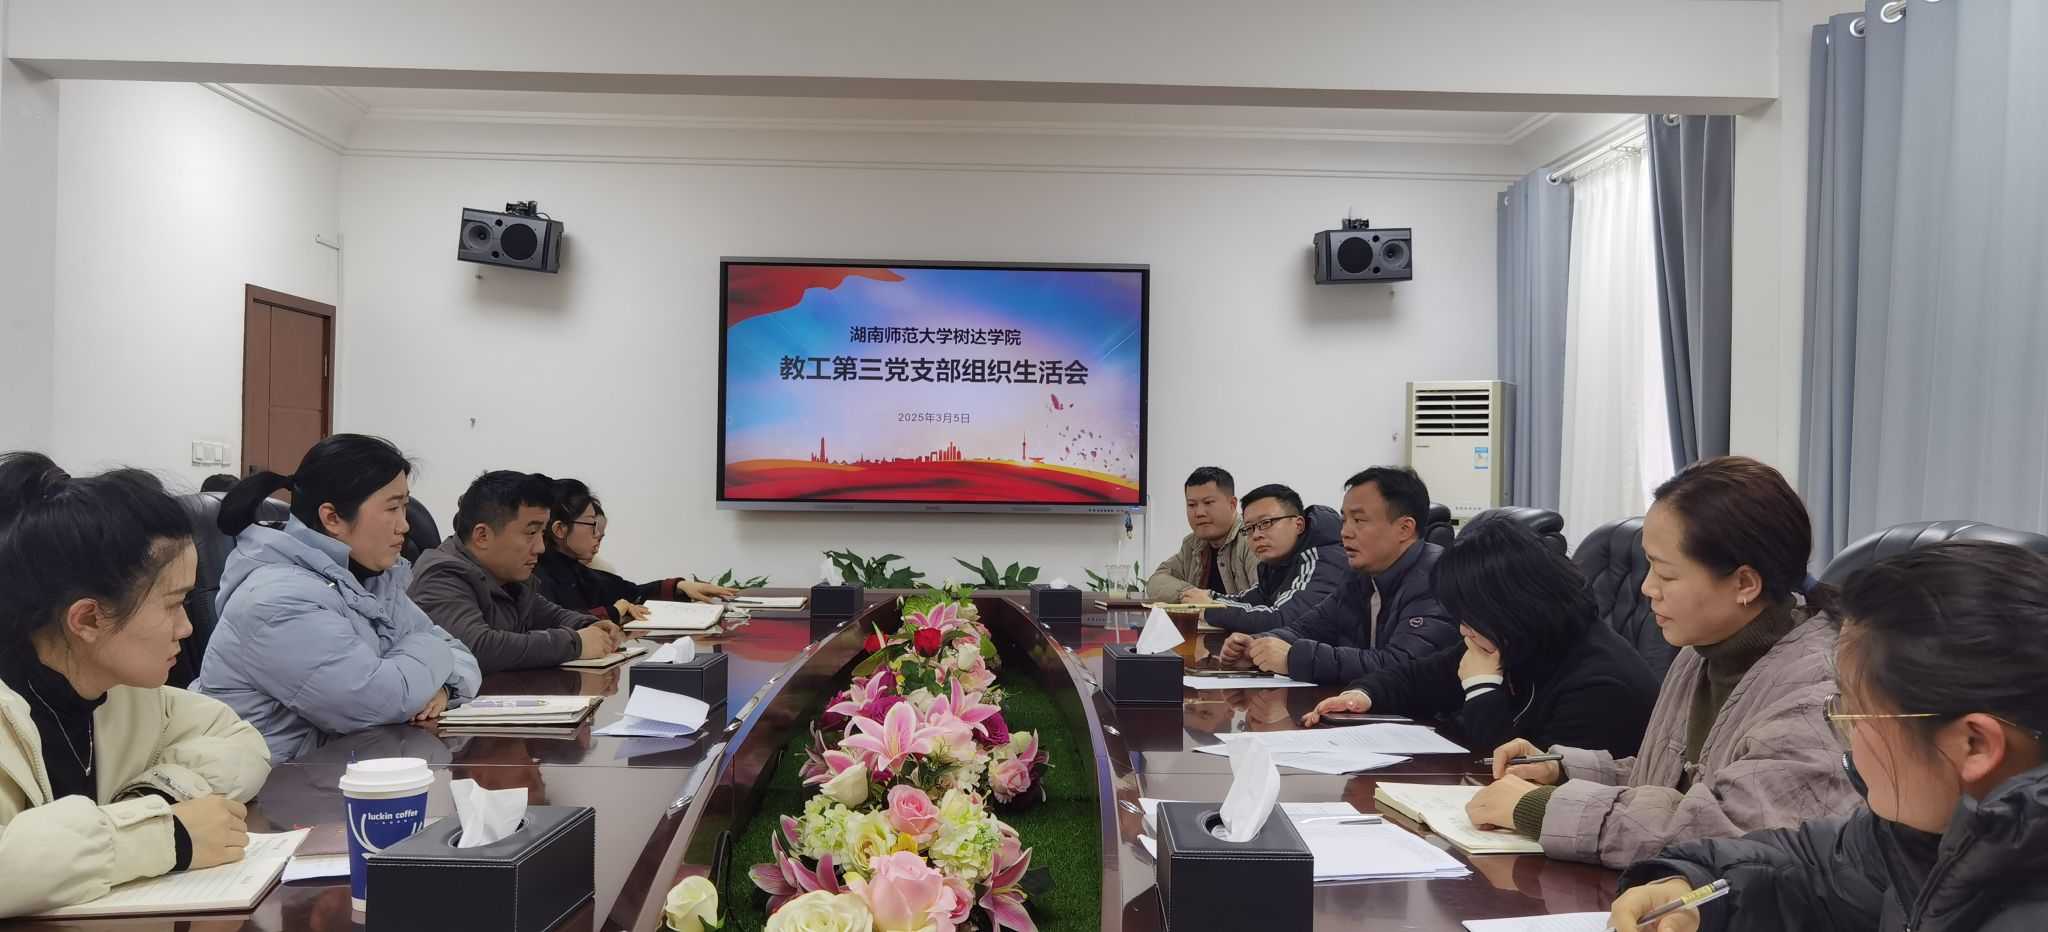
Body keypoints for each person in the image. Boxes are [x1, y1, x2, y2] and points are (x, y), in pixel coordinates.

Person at [1607, 542, 2048, 932]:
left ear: (1975, 745)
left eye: (1855, 714)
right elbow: (1807, 868)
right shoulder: (1923, 831)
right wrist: (1690, 887)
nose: (1846, 739)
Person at [1463, 456, 1857, 869]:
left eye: (1666, 575)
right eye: (1649, 566)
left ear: (1744, 582)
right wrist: (1562, 771)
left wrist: (1544, 808)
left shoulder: (1818, 690)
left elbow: (1730, 830)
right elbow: (1670, 781)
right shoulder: (1701, 650)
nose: (1648, 588)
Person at [0, 452, 272, 917]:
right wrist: (168, 835)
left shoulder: (124, 692)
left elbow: (238, 740)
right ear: (88, 618)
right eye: (174, 603)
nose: (187, 627)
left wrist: (156, 797)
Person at [196, 435, 481, 763]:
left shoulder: (371, 580)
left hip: (343, 771)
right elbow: (376, 701)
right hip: (273, 785)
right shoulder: (276, 601)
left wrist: (443, 688)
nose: (405, 525)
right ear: (332, 518)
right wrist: (435, 652)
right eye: (392, 508)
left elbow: (465, 658)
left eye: (405, 507)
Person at [1303, 517, 1660, 757]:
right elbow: (1418, 677)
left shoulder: (1601, 686)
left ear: (1510, 606)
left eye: (1469, 617)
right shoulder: (1516, 640)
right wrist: (1364, 695)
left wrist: (1481, 688)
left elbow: (1528, 778)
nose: (1463, 630)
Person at [1219, 467, 1460, 684]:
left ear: (1404, 528)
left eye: (1359, 520)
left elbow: (1403, 665)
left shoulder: (1438, 579)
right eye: (1344, 520)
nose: (1345, 532)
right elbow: (1307, 628)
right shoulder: (1358, 576)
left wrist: (1294, 658)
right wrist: (1257, 644)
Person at [410, 471, 626, 675]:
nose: (540, 547)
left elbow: (552, 616)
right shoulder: (441, 574)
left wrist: (589, 625)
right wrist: (575, 644)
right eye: (531, 533)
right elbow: (476, 648)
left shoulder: (506, 576)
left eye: (542, 533)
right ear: (482, 536)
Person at [532, 476, 736, 622]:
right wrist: (614, 612)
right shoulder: (535, 576)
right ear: (560, 529)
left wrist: (680, 586)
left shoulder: (579, 573)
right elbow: (554, 623)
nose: (597, 534)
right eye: (591, 525)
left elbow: (632, 593)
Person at [1201, 484, 1349, 634]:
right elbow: (1251, 601)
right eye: (1249, 528)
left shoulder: (1324, 559)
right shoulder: (1278, 563)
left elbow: (1283, 621)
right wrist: (1207, 597)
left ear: (1298, 525)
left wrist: (1210, 609)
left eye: (1266, 523)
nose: (1256, 535)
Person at [1143, 467, 1257, 603]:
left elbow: (1263, 600)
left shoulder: (1253, 538)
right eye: (1192, 505)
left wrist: (1210, 601)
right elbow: (1157, 580)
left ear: (1232, 504)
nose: (1199, 513)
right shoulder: (1193, 544)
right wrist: (1190, 595)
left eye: (1208, 503)